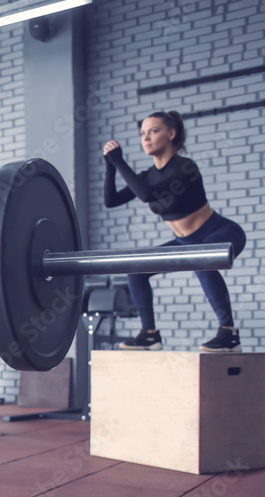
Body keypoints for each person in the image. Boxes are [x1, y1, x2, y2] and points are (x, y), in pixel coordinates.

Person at [103, 110, 246, 352]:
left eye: (153, 131)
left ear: (171, 134)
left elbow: (147, 194)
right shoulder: (147, 175)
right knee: (135, 269)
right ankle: (149, 335)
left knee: (201, 258)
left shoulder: (184, 168)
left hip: (221, 232)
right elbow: (111, 201)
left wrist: (119, 161)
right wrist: (110, 168)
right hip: (185, 243)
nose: (146, 138)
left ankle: (229, 333)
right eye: (142, 133)